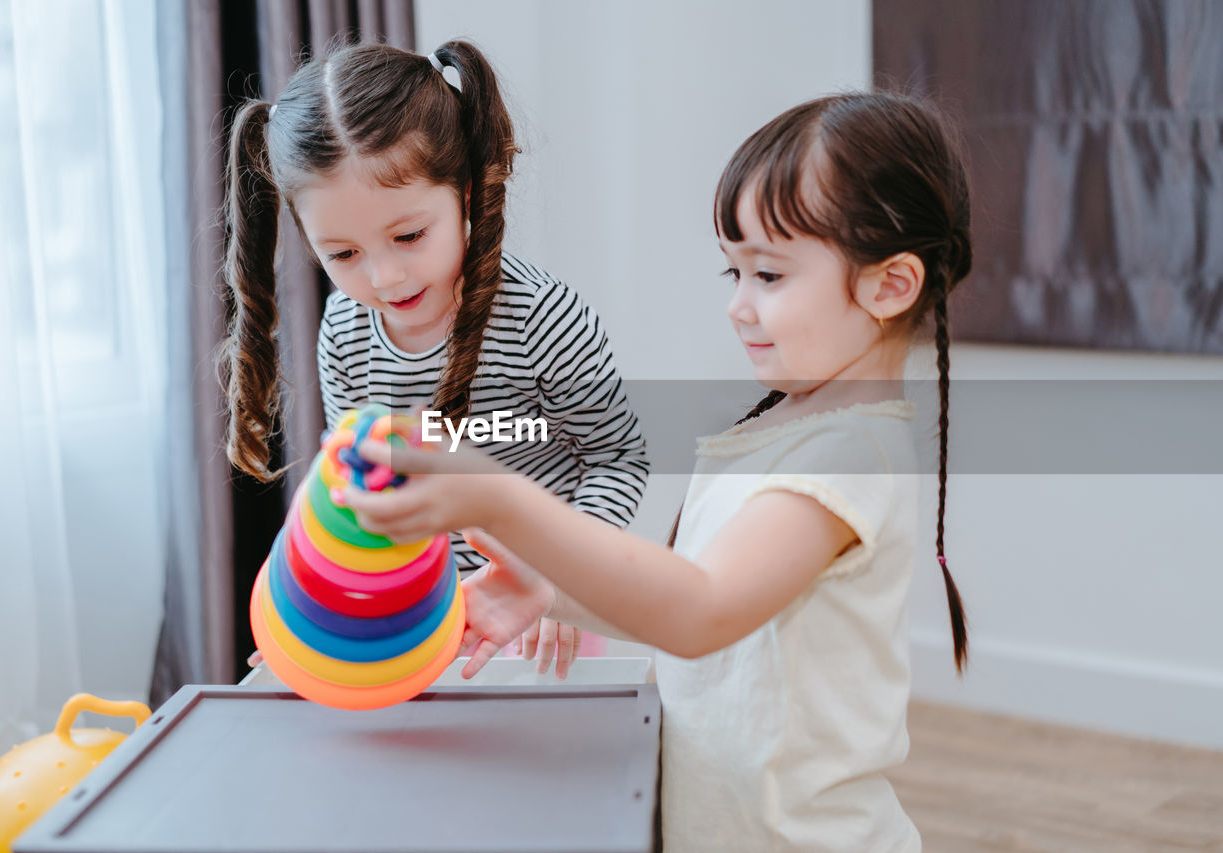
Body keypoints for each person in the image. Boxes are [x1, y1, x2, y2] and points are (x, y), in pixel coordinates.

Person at [336, 91, 973, 851]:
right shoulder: (788, 428)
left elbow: (699, 612)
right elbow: (703, 610)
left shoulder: (846, 458)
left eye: (767, 275)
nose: (738, 306)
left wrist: (502, 500)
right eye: (731, 273)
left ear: (890, 285)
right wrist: (551, 593)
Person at [221, 40, 649, 677]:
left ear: (468, 195)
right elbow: (352, 480)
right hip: (414, 622)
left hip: (538, 621)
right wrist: (310, 608)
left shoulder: (541, 315)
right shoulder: (343, 328)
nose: (386, 276)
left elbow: (619, 457)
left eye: (409, 235)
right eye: (343, 254)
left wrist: (567, 585)